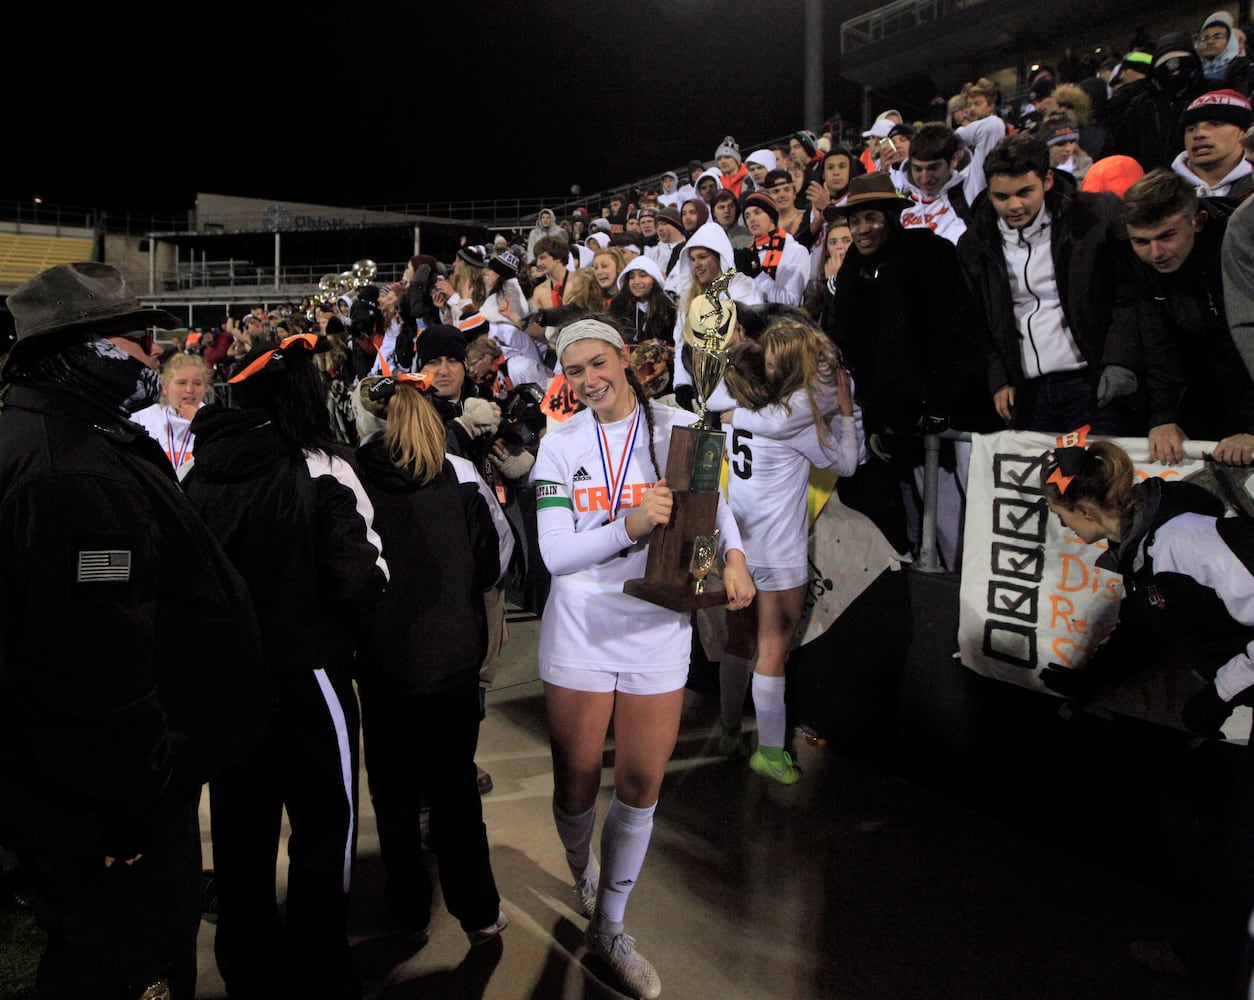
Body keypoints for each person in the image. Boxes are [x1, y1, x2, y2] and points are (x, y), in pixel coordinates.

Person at [0, 262, 266, 999]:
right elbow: (88, 660)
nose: (153, 356)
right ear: (81, 349)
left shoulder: (66, 432)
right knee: (126, 958)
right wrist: (126, 803)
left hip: (97, 786)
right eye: (135, 339)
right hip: (112, 801)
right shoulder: (70, 471)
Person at [530, 318, 754, 999]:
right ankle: (582, 871)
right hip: (581, 629)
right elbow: (556, 555)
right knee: (574, 785)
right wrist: (630, 523)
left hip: (659, 627)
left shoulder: (684, 426)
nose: (589, 380)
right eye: (575, 371)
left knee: (639, 788)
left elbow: (713, 511)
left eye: (599, 363)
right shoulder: (559, 444)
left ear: (625, 359)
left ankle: (612, 924)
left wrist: (735, 560)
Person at [183, 333, 389, 999]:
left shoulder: (196, 471)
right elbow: (362, 575)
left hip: (226, 683)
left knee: (241, 834)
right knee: (326, 832)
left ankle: (246, 970)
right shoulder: (321, 466)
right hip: (310, 676)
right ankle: (319, 971)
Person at [1039, 433, 1254, 998]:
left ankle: (1207, 961)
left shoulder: (1183, 540)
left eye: (1063, 517)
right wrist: (1085, 683)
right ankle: (1206, 956)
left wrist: (1221, 691)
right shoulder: (1146, 552)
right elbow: (1141, 632)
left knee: (1240, 851)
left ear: (1087, 510)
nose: (1065, 531)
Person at [351, 368, 514, 948]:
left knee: (392, 792)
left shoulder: (351, 475)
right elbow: (496, 561)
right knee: (454, 791)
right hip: (450, 660)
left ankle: (408, 908)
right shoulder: (461, 475)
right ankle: (478, 911)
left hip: (383, 662)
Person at [706, 314, 862, 782]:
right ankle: (770, 753)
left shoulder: (738, 398)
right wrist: (848, 413)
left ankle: (730, 730)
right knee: (774, 651)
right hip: (777, 554)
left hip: (735, 546)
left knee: (738, 641)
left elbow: (716, 398)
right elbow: (849, 463)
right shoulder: (796, 418)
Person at [956, 133, 1137, 436]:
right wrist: (998, 378)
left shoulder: (1096, 215)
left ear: (1048, 180)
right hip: (1026, 394)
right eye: (1001, 196)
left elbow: (1127, 293)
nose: (1014, 205)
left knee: (1099, 482)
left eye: (1025, 192)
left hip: (1092, 383)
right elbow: (976, 323)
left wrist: (1120, 360)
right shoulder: (974, 243)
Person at [1118, 168, 1254, 466]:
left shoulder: (1242, 244)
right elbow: (1158, 342)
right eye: (1141, 241)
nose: (1155, 253)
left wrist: (1251, 429)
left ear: (1198, 222)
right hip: (1209, 392)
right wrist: (1164, 417)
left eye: (1167, 236)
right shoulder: (1141, 263)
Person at [131, 352, 213, 473]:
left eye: (197, 383)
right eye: (181, 383)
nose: (189, 389)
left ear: (205, 388)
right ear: (165, 387)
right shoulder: (144, 417)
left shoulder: (215, 422)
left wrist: (202, 423)